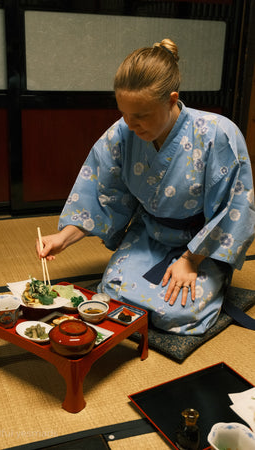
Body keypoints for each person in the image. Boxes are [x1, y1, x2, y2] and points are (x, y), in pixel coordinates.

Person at [36, 39, 255, 335]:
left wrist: (190, 261)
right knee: (113, 294)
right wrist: (64, 237)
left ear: (171, 99)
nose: (131, 124)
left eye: (141, 116)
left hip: (202, 241)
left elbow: (235, 209)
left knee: (174, 312)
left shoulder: (218, 134)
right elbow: (102, 194)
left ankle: (214, 275)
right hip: (150, 234)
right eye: (125, 113)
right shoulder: (122, 133)